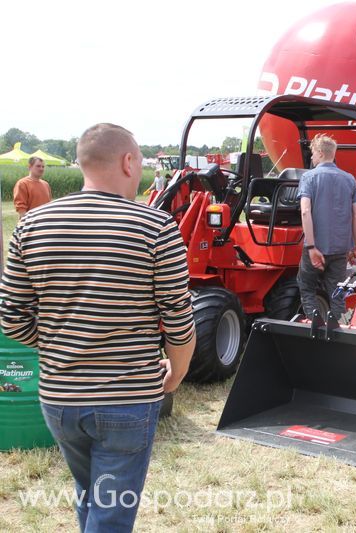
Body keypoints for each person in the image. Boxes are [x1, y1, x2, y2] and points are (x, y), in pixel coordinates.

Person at [0, 123, 196, 533]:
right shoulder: (156, 227)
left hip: (59, 397)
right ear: (127, 162)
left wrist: (59, 342)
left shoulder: (31, 226)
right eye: (140, 162)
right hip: (127, 397)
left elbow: (11, 316)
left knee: (91, 493)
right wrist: (176, 373)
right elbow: (178, 317)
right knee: (111, 511)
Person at [297, 133, 356, 320]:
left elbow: (305, 212)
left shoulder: (309, 177)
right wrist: (353, 247)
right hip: (341, 249)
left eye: (313, 154)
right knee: (337, 293)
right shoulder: (349, 179)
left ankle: (314, 323)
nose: (311, 157)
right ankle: (337, 331)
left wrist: (311, 247)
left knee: (306, 286)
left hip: (316, 248)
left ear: (319, 153)